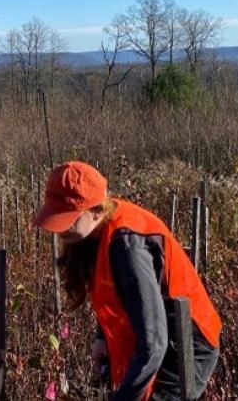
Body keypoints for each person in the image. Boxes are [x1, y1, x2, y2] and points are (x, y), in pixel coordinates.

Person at [33, 161, 221, 401]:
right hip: (155, 337)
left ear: (97, 211)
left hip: (185, 347)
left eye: (69, 218)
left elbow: (155, 343)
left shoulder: (128, 247)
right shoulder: (96, 232)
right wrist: (102, 337)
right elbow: (117, 292)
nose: (61, 228)